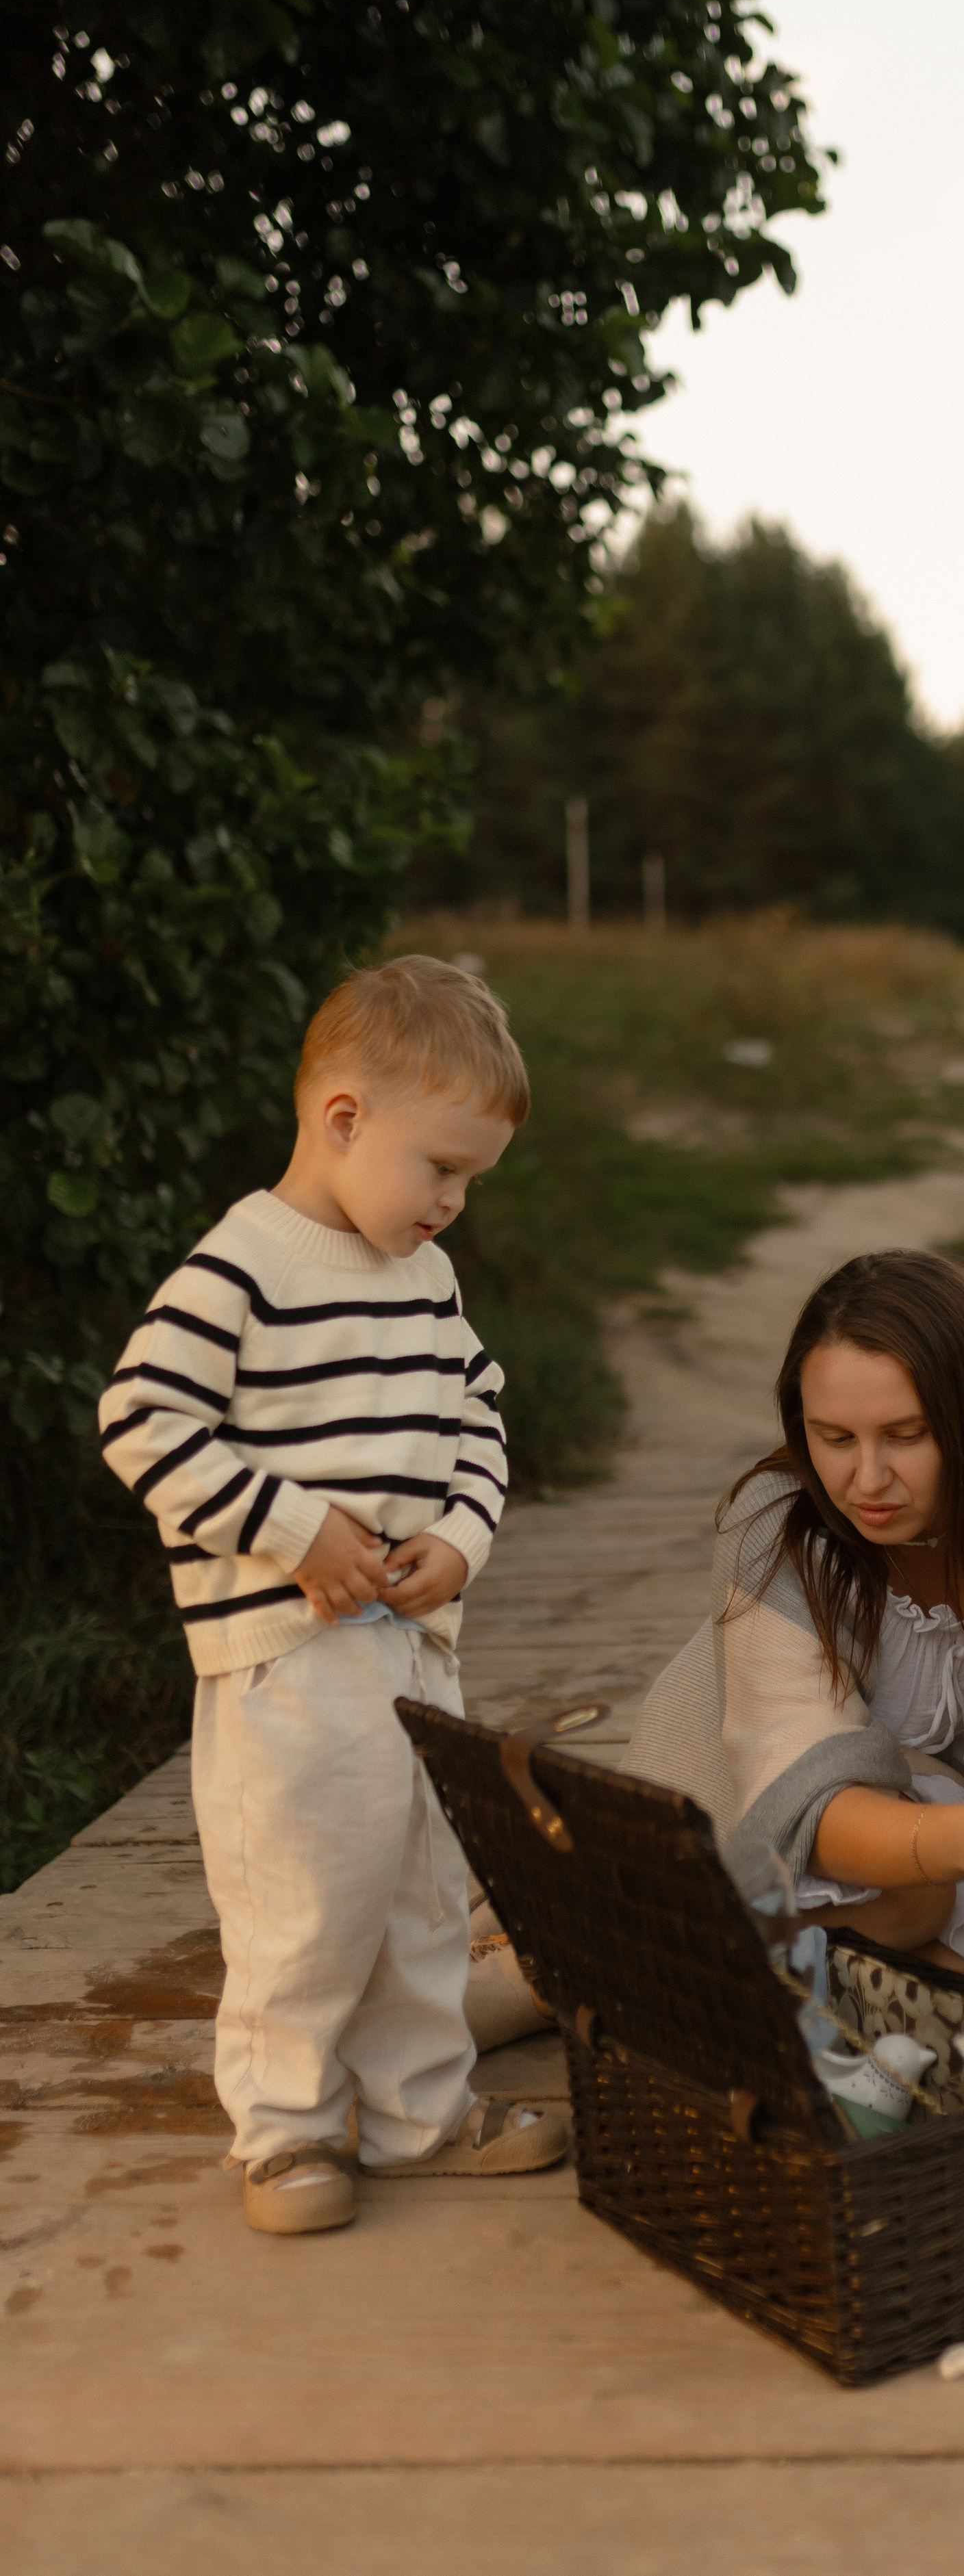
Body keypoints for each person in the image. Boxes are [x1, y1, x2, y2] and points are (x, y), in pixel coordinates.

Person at [97, 955, 568, 2236]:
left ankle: (420, 2115)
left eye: (472, 1179)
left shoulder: (426, 1281)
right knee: (304, 1903)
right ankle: (290, 2133)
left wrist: (463, 1540)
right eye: (443, 1168)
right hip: (287, 1664)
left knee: (420, 1896)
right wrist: (297, 1530)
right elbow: (141, 1421)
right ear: (345, 1119)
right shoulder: (240, 1265)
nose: (455, 1203)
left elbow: (480, 1418)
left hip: (414, 1651)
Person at [625, 1250, 964, 1984]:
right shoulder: (779, 1522)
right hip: (749, 1828)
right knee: (926, 1902)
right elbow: (805, 1809)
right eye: (834, 1438)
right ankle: (639, 1950)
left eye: (906, 1435)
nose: (866, 1481)